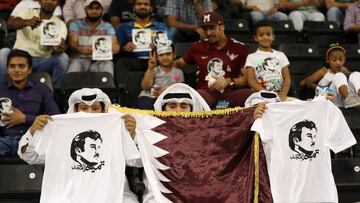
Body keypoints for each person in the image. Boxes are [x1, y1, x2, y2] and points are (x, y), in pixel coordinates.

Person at [18, 88, 138, 202]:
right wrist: (32, 131)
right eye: (84, 108)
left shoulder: (115, 129)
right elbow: (29, 156)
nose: (89, 113)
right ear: (74, 110)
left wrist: (133, 137)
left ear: (104, 110)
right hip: (69, 195)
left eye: (95, 108)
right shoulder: (60, 131)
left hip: (112, 193)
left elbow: (137, 162)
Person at [174, 12, 254, 108]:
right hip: (206, 93)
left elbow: (246, 79)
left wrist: (228, 81)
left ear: (222, 27)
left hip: (231, 93)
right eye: (205, 29)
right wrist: (157, 64)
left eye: (212, 28)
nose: (208, 33)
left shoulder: (239, 48)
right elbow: (177, 64)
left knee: (251, 95)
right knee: (197, 95)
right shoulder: (198, 47)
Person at [0, 49, 60, 157]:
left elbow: (55, 118)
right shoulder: (1, 90)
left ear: (29, 69)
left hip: (34, 140)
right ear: (7, 69)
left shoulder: (42, 89)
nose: (16, 70)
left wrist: (24, 118)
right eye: (12, 66)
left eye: (21, 66)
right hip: (5, 141)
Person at [0, 0, 69, 88]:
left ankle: (56, 93)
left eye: (53, 0)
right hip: (19, 57)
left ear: (58, 3)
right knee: (3, 52)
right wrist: (26, 22)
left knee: (63, 58)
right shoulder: (27, 12)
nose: (49, 2)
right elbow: (10, 24)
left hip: (43, 61)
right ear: (40, 1)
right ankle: (3, 90)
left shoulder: (60, 24)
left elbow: (59, 46)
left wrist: (59, 48)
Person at [115, 0, 172, 86]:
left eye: (146, 4)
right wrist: (125, 48)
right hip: (134, 60)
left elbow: (170, 45)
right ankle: (123, 92)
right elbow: (118, 48)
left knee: (167, 60)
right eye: (139, 4)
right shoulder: (124, 27)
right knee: (121, 62)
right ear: (134, 8)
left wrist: (159, 46)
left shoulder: (161, 26)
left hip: (156, 60)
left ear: (151, 8)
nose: (142, 6)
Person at [67, 0, 120, 76]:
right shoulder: (75, 24)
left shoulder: (108, 26)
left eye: (97, 8)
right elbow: (72, 43)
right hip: (80, 59)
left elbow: (114, 42)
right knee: (75, 65)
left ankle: (107, 88)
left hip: (101, 61)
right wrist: (80, 49)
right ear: (85, 9)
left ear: (102, 10)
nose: (94, 11)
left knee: (108, 64)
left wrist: (116, 47)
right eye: (91, 8)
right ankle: (69, 87)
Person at [300, 44, 360, 108]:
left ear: (344, 60)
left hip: (345, 102)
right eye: (334, 60)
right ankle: (348, 98)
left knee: (356, 74)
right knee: (339, 75)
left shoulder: (345, 71)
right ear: (327, 60)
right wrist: (317, 87)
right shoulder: (324, 71)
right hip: (328, 99)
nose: (338, 63)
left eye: (341, 60)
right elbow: (303, 83)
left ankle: (352, 99)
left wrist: (347, 73)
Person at [245, 20, 291, 101]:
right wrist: (267, 94)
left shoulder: (280, 55)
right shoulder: (251, 57)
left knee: (298, 104)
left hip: (281, 96)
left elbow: (287, 78)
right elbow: (251, 80)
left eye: (268, 34)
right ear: (255, 38)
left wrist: (282, 96)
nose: (265, 37)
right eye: (261, 35)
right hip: (261, 96)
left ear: (273, 37)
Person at [137, 45, 184, 109]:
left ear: (174, 54)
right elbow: (145, 87)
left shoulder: (179, 72)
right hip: (149, 98)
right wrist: (151, 68)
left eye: (168, 54)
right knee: (146, 104)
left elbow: (180, 90)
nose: (165, 57)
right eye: (161, 55)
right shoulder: (153, 70)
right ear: (157, 57)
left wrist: (165, 93)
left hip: (167, 99)